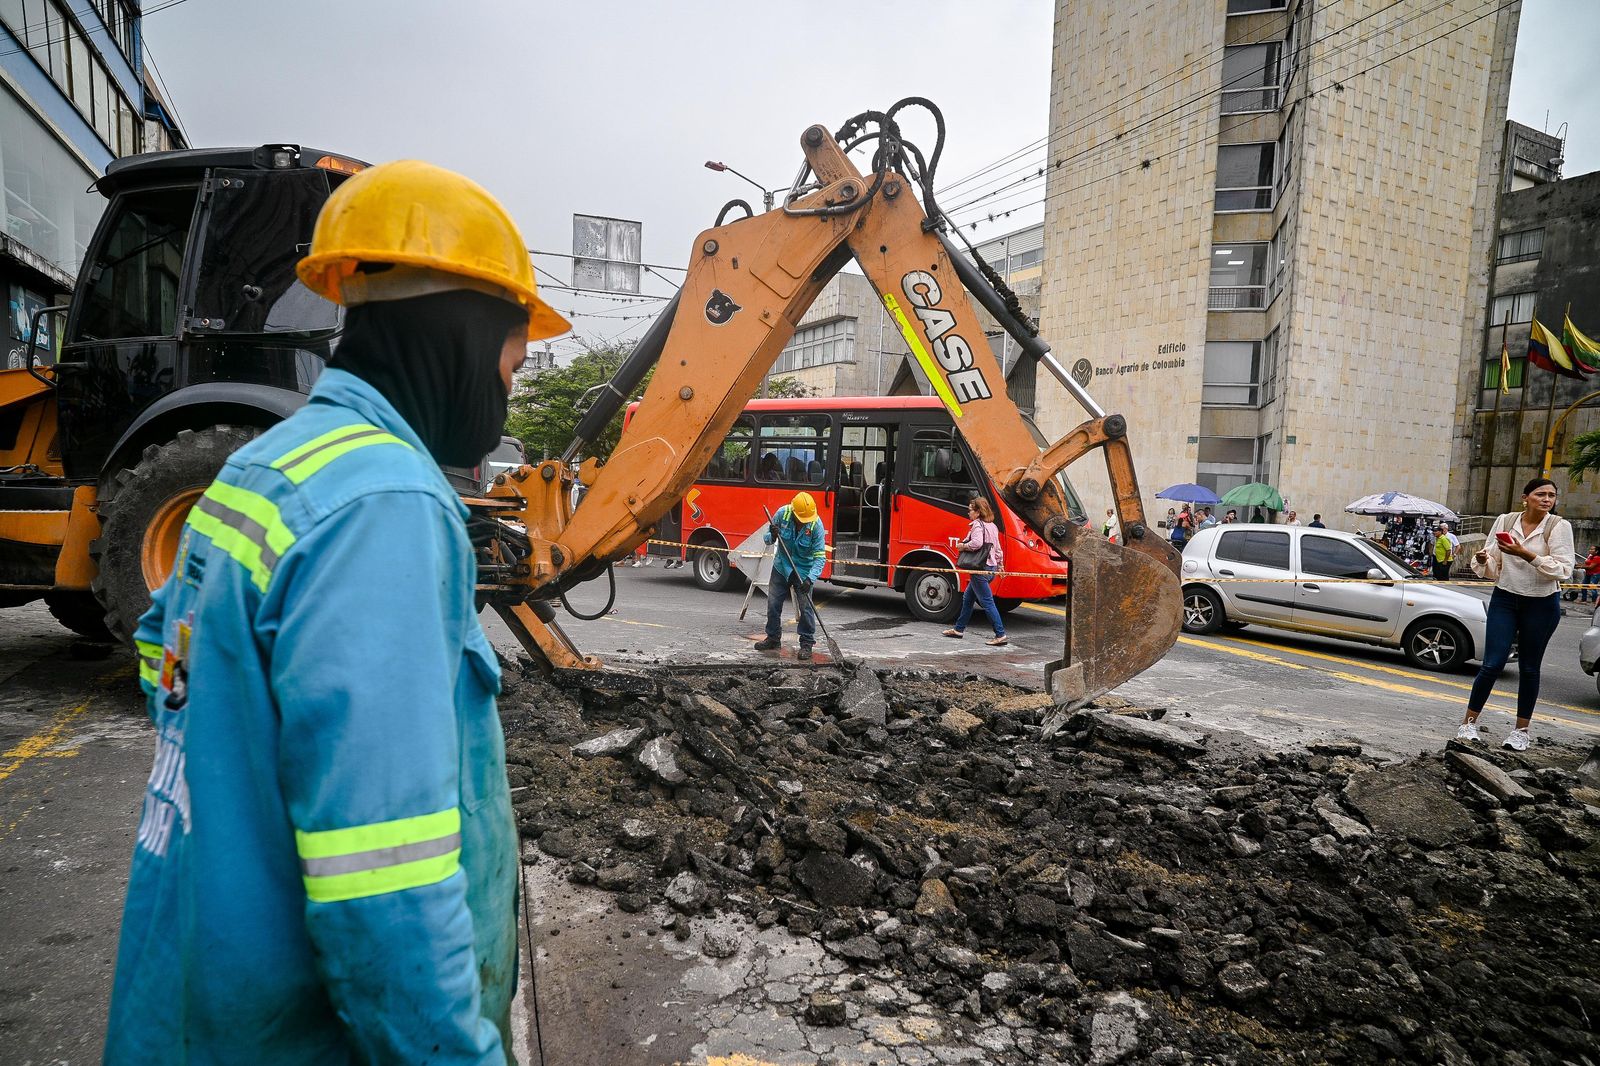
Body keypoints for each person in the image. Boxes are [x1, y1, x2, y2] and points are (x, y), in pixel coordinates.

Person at [105, 160, 571, 1062]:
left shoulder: (269, 469)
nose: (507, 390)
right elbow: (384, 881)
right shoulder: (383, 505)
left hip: (201, 1002)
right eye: (513, 362)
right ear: (464, 337)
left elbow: (174, 672)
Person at [1456, 478, 1574, 751]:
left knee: (1529, 668)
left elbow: (1563, 570)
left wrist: (1525, 554)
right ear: (1525, 497)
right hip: (1506, 598)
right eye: (1540, 494)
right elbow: (1492, 559)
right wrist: (1485, 560)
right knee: (1492, 664)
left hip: (1542, 603)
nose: (1547, 499)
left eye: (1551, 496)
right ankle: (1468, 723)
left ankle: (1521, 731)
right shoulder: (1506, 521)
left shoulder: (1558, 526)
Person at [754, 491, 827, 661]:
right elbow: (767, 540)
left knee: (806, 608)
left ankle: (807, 643)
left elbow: (820, 557)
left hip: (803, 571)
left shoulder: (816, 525)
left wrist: (810, 579)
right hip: (782, 566)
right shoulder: (782, 514)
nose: (804, 522)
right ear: (794, 513)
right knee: (773, 604)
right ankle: (773, 638)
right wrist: (772, 534)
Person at [943, 496, 1007, 646]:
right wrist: (1000, 565)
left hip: (979, 570)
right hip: (990, 568)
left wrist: (962, 546)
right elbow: (997, 549)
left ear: (978, 512)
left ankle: (1000, 634)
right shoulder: (993, 526)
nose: (968, 513)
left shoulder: (978, 525)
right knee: (968, 599)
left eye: (970, 510)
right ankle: (959, 629)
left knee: (987, 602)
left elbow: (977, 543)